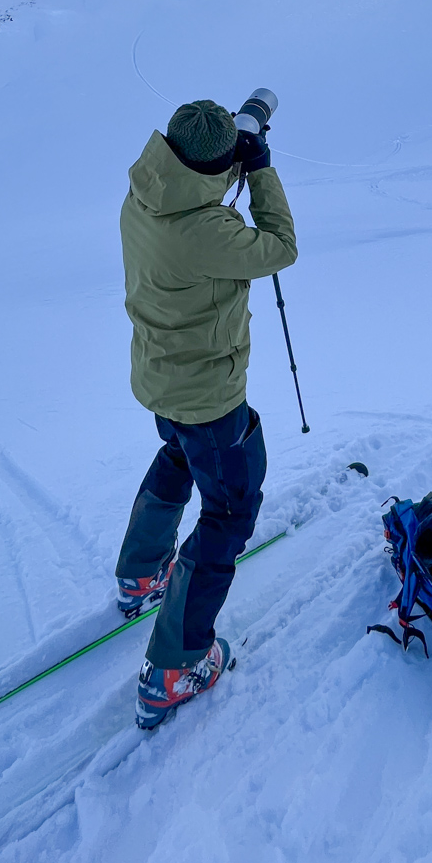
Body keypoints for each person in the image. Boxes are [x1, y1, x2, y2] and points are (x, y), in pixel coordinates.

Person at [115, 98, 297, 729]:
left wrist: (228, 160)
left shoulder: (145, 194)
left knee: (177, 454)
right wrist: (260, 168)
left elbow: (195, 186)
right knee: (229, 510)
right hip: (208, 397)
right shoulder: (208, 233)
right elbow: (279, 247)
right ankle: (177, 663)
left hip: (160, 378)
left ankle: (141, 573)